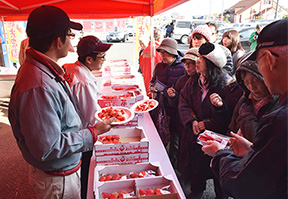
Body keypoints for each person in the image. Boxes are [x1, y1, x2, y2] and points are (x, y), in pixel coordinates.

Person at [8, 5, 114, 199]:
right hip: (56, 180)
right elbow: (48, 147)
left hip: (60, 172)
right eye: (70, 35)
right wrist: (94, 132)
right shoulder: (38, 85)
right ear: (58, 41)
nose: (71, 45)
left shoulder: (42, 71)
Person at [202, 18, 287, 199]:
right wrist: (252, 151)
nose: (251, 87)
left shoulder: (279, 119)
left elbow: (244, 183)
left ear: (269, 60)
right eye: (246, 83)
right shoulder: (248, 102)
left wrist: (219, 154)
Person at [179, 42, 234, 199]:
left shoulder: (225, 83)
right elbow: (183, 101)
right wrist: (192, 121)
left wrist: (208, 122)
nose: (197, 61)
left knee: (218, 173)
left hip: (216, 138)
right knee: (196, 170)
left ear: (210, 64)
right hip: (196, 135)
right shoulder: (194, 80)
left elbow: (229, 117)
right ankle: (197, 191)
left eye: (201, 59)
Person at [62, 35, 112, 199]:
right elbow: (92, 117)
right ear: (89, 59)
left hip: (68, 131)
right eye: (102, 56)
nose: (104, 60)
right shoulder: (85, 82)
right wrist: (112, 120)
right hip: (81, 135)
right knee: (84, 176)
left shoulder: (68, 67)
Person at [228, 52, 279, 142]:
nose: (251, 87)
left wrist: (246, 115)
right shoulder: (245, 99)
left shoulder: (276, 103)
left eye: (255, 81)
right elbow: (232, 128)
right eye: (246, 82)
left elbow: (258, 138)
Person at [166, 48, 199, 170]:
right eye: (186, 64)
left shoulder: (203, 81)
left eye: (191, 64)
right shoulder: (182, 80)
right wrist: (173, 96)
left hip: (197, 125)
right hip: (182, 122)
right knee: (181, 150)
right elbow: (175, 104)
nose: (188, 67)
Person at [149, 38, 186, 146]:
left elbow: (185, 92)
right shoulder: (159, 66)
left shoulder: (182, 68)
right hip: (160, 106)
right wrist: (152, 86)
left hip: (175, 110)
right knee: (159, 137)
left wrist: (174, 94)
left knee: (175, 140)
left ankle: (172, 161)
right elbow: (153, 81)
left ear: (172, 53)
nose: (162, 56)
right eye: (161, 53)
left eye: (165, 53)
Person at [139, 28, 162, 97]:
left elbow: (141, 68)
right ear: (159, 38)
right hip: (159, 84)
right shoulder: (161, 51)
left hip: (147, 83)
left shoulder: (144, 51)